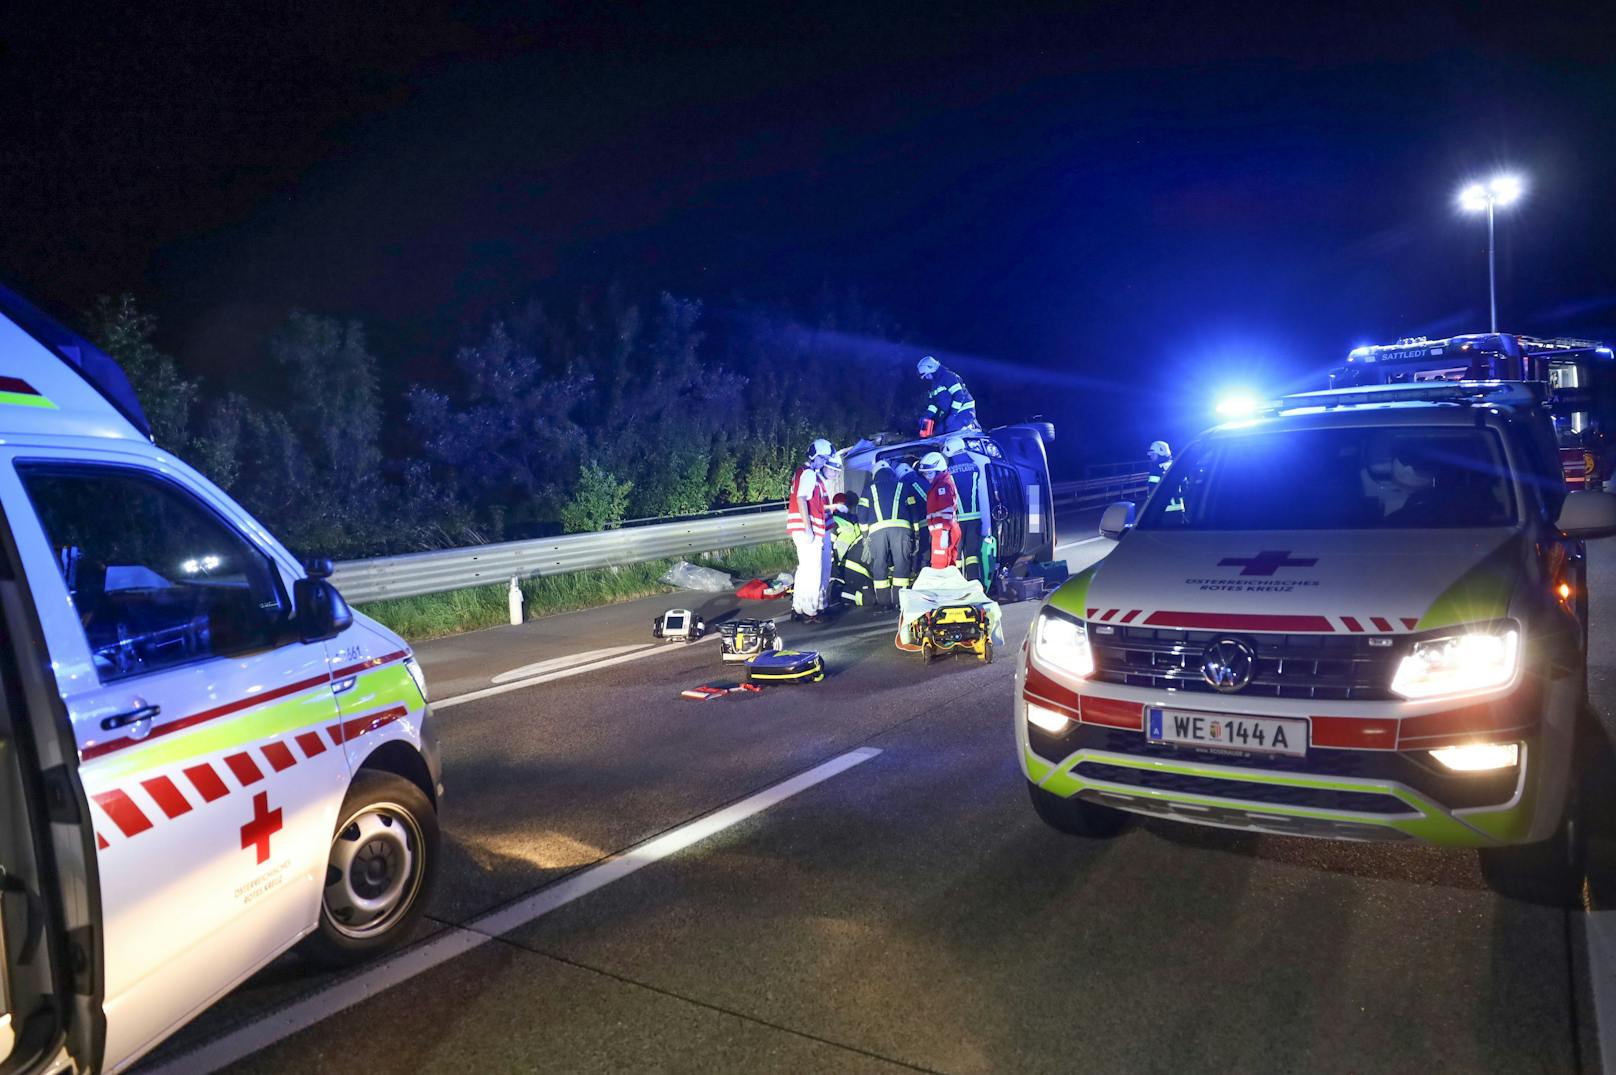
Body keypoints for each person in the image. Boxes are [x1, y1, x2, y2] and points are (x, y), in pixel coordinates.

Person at [856, 459, 920, 609]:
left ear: (875, 474)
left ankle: (884, 602)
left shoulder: (868, 489)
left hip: (877, 531)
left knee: (879, 564)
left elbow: (862, 513)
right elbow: (914, 510)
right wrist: (916, 532)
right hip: (902, 529)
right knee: (901, 562)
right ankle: (899, 601)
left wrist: (865, 536)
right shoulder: (903, 486)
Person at [787, 438, 839, 621]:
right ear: (816, 456)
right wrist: (808, 528)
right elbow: (802, 499)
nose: (824, 462)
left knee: (804, 570)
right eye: (823, 458)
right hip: (807, 530)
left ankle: (799, 608)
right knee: (813, 572)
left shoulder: (802, 472)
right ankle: (811, 612)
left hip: (800, 529)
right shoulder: (809, 474)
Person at [943, 435, 986, 582]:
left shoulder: (948, 471)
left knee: (957, 552)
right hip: (975, 518)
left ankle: (959, 583)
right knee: (972, 553)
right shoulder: (975, 467)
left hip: (958, 520)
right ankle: (975, 581)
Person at [917, 451, 962, 569]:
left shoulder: (942, 486)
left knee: (939, 566)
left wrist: (944, 532)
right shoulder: (941, 483)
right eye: (925, 474)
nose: (927, 477)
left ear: (939, 470)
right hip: (943, 530)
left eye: (930, 474)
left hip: (943, 531)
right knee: (948, 564)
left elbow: (946, 510)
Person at [916, 355, 978, 438]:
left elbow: (959, 396)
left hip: (964, 411)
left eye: (927, 375)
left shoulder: (948, 377)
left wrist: (952, 415)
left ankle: (970, 429)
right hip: (951, 414)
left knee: (949, 433)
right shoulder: (934, 384)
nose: (927, 378)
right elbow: (934, 404)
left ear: (932, 369)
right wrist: (927, 415)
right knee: (938, 433)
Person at [894, 460, 931, 581]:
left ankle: (921, 575)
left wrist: (915, 529)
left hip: (923, 522)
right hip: (936, 519)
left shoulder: (905, 485)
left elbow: (913, 507)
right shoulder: (921, 479)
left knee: (923, 550)